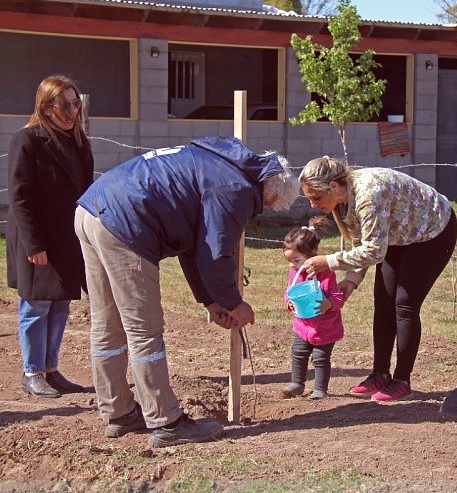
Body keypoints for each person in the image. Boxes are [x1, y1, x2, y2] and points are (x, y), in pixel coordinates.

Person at [74, 136, 299, 448]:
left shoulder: (218, 162)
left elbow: (193, 246)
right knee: (144, 329)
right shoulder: (237, 190)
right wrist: (235, 304)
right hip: (127, 223)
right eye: (271, 204)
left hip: (91, 209)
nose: (264, 209)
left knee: (107, 323)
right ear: (270, 191)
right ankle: (166, 422)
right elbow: (216, 254)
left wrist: (210, 301)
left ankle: (119, 412)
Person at [298, 157, 457, 402]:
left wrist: (329, 261)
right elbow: (362, 241)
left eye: (316, 197)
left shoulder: (368, 194)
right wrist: (351, 279)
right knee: (383, 300)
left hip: (431, 230)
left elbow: (374, 251)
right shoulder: (343, 201)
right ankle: (379, 374)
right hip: (398, 234)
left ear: (332, 186)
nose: (312, 204)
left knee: (404, 304)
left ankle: (401, 380)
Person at [7, 75, 94, 398]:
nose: (72, 112)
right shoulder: (27, 140)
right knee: (36, 306)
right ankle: (32, 372)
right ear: (46, 107)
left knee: (60, 306)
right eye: (64, 106)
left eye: (75, 104)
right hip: (38, 240)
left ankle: (51, 370)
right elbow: (20, 197)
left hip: (67, 238)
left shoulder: (80, 142)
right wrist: (34, 244)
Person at [281, 216, 345, 400]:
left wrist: (329, 304)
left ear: (312, 255)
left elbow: (338, 297)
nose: (292, 264)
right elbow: (289, 292)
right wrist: (289, 303)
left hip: (325, 327)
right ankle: (297, 383)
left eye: (296, 259)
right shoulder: (295, 272)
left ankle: (319, 389)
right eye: (290, 260)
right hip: (303, 325)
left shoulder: (326, 274)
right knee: (298, 353)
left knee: (320, 358)